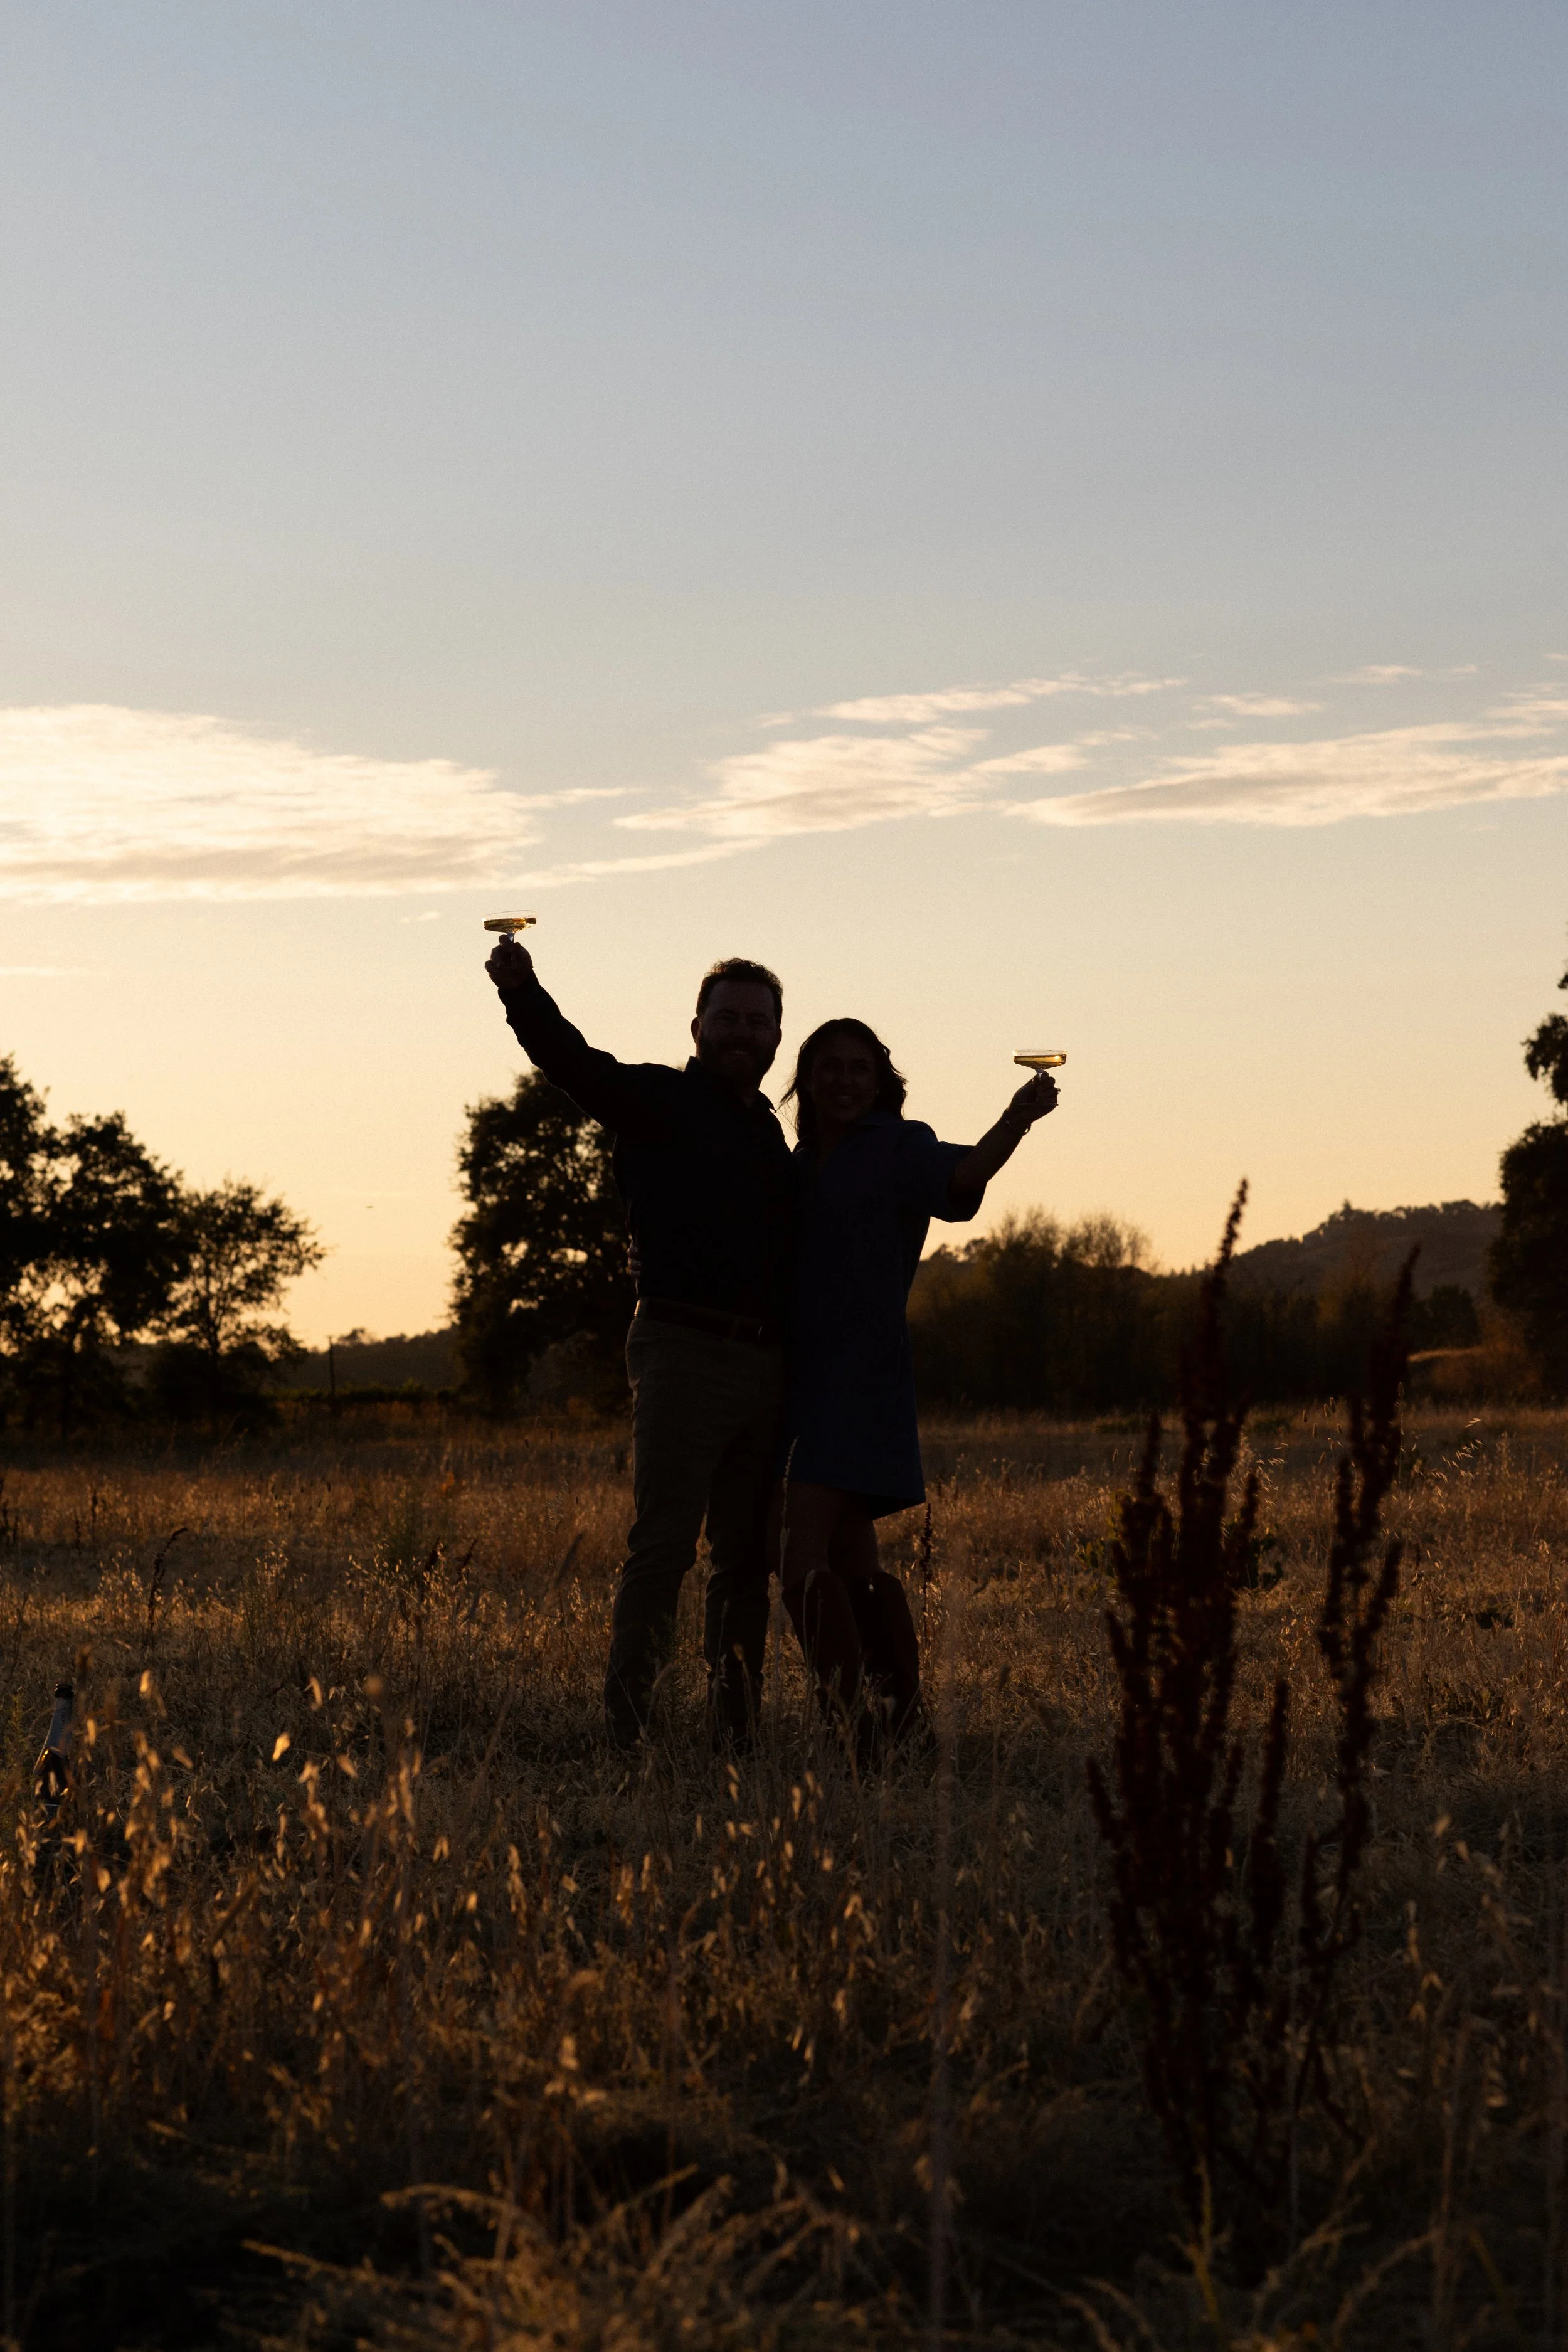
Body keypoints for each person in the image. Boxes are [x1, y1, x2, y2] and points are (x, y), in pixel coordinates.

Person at [485, 933, 793, 1752]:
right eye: (725, 1017)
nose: (740, 1032)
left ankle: (735, 1732)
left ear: (776, 1038)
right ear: (695, 1027)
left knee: (742, 1562)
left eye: (756, 1021)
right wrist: (523, 991)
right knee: (662, 1548)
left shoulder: (769, 1134)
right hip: (683, 1349)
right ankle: (630, 1733)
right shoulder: (657, 1100)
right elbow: (575, 1063)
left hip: (766, 1363)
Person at [776, 1019, 1059, 1756]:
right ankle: (900, 1726)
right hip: (803, 1371)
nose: (843, 1080)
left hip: (853, 1373)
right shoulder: (799, 1159)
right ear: (803, 1080)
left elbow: (962, 1180)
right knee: (852, 1558)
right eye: (827, 1068)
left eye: (858, 1069)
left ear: (880, 1081)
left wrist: (1015, 1120)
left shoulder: (897, 1145)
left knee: (799, 1557)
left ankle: (853, 1729)